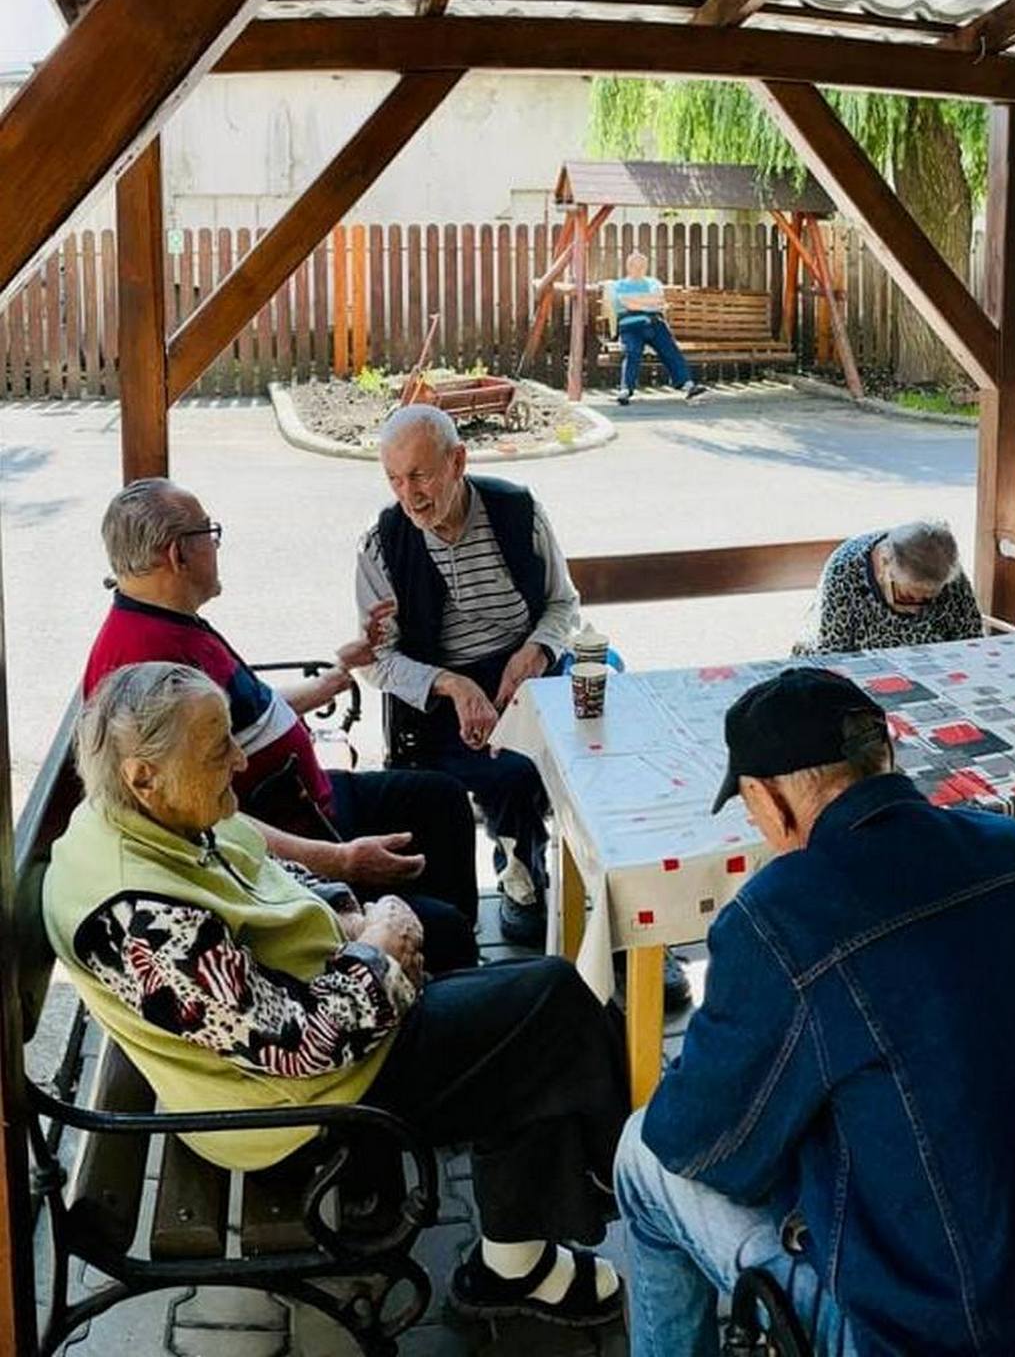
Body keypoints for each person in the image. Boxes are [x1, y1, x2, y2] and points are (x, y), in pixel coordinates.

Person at [614, 667, 1015, 1357]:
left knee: (640, 1155)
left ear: (768, 798)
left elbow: (695, 1141)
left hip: (944, 1335)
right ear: (885, 756)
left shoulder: (781, 914)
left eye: (751, 808)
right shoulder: (1010, 848)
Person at [48, 665, 629, 1326]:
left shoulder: (148, 814)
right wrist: (377, 953)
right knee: (547, 1005)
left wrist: (356, 917)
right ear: (142, 775)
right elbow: (301, 1048)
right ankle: (626, 1174)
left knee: (525, 1015)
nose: (238, 762)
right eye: (219, 751)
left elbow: (270, 876)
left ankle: (527, 1251)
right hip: (293, 1107)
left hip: (323, 1017)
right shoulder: (137, 915)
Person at [83, 478, 481, 974]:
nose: (216, 544)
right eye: (209, 532)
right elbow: (206, 817)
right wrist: (339, 860)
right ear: (177, 554)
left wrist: (337, 676)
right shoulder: (144, 660)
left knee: (441, 800)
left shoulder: (168, 619)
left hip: (306, 797)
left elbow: (252, 710)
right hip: (289, 837)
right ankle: (442, 984)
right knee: (445, 927)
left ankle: (452, 968)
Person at [354, 404, 575, 950]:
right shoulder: (383, 543)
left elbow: (562, 605)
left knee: (581, 758)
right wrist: (451, 685)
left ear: (458, 461)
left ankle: (571, 883)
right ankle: (519, 877)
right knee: (507, 770)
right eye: (394, 479)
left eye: (421, 475)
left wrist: (538, 651)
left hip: (527, 670)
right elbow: (377, 660)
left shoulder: (517, 512)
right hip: (440, 691)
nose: (409, 494)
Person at [809, 520, 984, 654]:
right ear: (884, 564)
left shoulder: (944, 568)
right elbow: (830, 655)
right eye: (907, 596)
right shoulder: (844, 571)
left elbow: (971, 641)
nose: (916, 610)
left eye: (928, 599)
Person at [606, 251, 707, 405]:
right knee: (632, 352)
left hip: (655, 323)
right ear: (628, 266)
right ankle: (625, 390)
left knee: (670, 350)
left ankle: (688, 386)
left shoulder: (653, 282)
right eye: (634, 265)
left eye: (642, 265)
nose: (638, 268)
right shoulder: (619, 285)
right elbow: (625, 303)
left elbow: (658, 300)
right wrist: (647, 303)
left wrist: (637, 302)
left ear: (646, 267)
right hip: (630, 325)